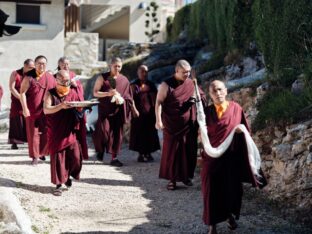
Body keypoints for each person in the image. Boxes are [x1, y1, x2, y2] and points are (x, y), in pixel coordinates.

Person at [200, 80, 267, 234]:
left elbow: (246, 132)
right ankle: (212, 225)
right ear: (210, 95)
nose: (217, 94)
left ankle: (229, 216)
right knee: (210, 189)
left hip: (231, 157)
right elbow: (201, 132)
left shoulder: (236, 109)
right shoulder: (206, 112)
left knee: (231, 189)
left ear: (226, 90)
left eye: (219, 90)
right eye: (213, 91)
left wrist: (240, 132)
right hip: (212, 157)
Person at [155, 60, 203, 190]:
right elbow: (159, 102)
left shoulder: (191, 82)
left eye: (188, 72)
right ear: (176, 71)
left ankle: (186, 177)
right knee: (172, 152)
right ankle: (172, 180)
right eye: (184, 72)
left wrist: (196, 98)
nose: (187, 74)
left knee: (189, 151)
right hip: (172, 124)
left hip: (189, 125)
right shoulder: (166, 85)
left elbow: (201, 96)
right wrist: (158, 120)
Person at [44, 70, 86, 196]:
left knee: (76, 158)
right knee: (58, 159)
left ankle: (68, 176)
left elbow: (80, 105)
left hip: (71, 130)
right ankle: (58, 185)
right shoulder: (50, 93)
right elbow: (46, 110)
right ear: (56, 80)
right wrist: (60, 106)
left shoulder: (73, 91)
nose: (66, 82)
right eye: (63, 80)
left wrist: (82, 108)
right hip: (57, 131)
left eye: (68, 80)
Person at [92, 57, 138, 167]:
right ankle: (100, 149)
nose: (117, 68)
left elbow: (129, 97)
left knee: (117, 135)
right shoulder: (102, 78)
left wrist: (134, 109)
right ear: (110, 66)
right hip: (105, 110)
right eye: (115, 66)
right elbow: (95, 93)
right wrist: (107, 94)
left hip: (119, 111)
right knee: (103, 132)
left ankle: (114, 158)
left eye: (119, 66)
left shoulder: (124, 80)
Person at [20, 55, 56, 165]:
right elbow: (22, 93)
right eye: (39, 63)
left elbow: (55, 93)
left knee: (46, 132)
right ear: (35, 64)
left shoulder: (50, 77)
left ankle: (43, 153)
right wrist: (25, 108)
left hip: (46, 110)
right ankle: (35, 156)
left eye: (44, 63)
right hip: (32, 110)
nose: (41, 65)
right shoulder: (29, 77)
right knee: (33, 134)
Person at [57, 56, 88, 159]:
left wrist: (76, 85)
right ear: (59, 65)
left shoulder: (73, 75)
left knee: (77, 131)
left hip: (76, 107)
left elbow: (81, 91)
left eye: (67, 64)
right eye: (63, 64)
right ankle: (63, 152)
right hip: (64, 107)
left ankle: (78, 153)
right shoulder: (56, 76)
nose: (66, 66)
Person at [129, 65, 160, 162]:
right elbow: (131, 98)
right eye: (142, 71)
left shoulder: (151, 85)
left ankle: (149, 153)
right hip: (138, 114)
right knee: (139, 134)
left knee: (150, 133)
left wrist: (157, 111)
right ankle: (141, 154)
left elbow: (156, 98)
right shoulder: (135, 85)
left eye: (146, 71)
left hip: (150, 113)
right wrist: (134, 110)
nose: (144, 73)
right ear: (138, 73)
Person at [8, 59, 34, 149]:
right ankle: (14, 142)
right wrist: (20, 97)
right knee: (16, 119)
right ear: (25, 66)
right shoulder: (15, 73)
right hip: (17, 100)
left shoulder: (32, 74)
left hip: (28, 100)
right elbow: (11, 87)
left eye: (33, 67)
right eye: (30, 67)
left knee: (27, 119)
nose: (32, 69)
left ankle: (28, 140)